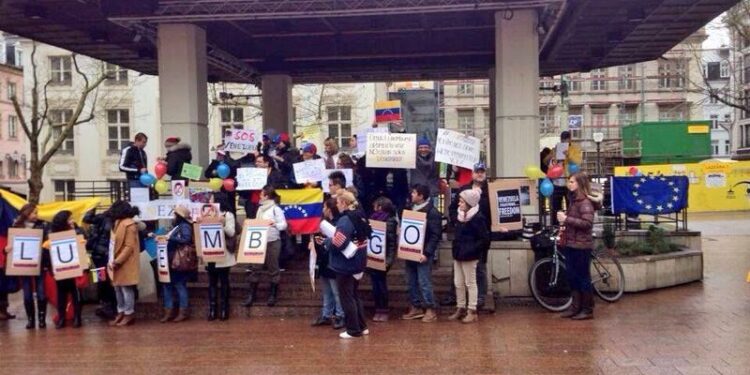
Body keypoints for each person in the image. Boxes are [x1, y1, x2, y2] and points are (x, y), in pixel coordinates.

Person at [445, 162, 494, 308]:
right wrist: (456, 221)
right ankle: (454, 296)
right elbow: (452, 208)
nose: (480, 174)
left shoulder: (490, 191)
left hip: (481, 234)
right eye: (477, 171)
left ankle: (480, 299)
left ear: (485, 173)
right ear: (472, 173)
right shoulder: (464, 189)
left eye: (482, 171)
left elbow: (495, 213)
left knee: (480, 267)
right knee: (457, 268)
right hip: (463, 235)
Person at [325, 191, 369, 339]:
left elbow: (339, 242)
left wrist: (327, 242)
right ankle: (362, 326)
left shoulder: (345, 220)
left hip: (346, 263)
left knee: (346, 297)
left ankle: (353, 329)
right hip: (360, 260)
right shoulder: (360, 215)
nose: (336, 205)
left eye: (338, 202)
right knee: (354, 295)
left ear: (343, 203)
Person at [557, 172, 600, 320]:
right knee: (572, 276)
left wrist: (567, 219)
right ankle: (576, 306)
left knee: (582, 277)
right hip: (571, 243)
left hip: (581, 245)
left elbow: (587, 224)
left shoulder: (584, 202)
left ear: (580, 184)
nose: (569, 184)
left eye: (572, 182)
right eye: (569, 181)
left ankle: (587, 309)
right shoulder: (574, 200)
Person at [401, 184, 442, 323]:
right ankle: (416, 306)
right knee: (410, 281)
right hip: (410, 251)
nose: (411, 195)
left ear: (421, 196)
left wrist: (427, 252)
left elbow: (435, 235)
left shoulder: (432, 212)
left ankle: (430, 309)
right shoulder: (409, 208)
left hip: (423, 253)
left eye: (414, 193)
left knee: (424, 281)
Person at [448, 190, 490, 324]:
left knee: (470, 282)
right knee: (458, 282)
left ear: (469, 203)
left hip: (470, 254)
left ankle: (472, 310)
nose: (459, 204)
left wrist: (473, 250)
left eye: (461, 201)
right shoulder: (461, 217)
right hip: (459, 253)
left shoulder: (478, 218)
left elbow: (483, 238)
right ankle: (460, 306)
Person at [243, 185, 287, 308]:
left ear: (266, 196)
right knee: (255, 268)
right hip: (259, 242)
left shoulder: (275, 209)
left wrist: (274, 224)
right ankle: (252, 295)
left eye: (261, 194)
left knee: (273, 267)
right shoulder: (260, 209)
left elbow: (283, 225)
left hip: (272, 241)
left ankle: (272, 294)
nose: (259, 197)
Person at [5, 204, 47, 328]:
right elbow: (10, 245)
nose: (36, 215)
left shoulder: (42, 226)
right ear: (27, 214)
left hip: (39, 264)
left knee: (41, 293)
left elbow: (47, 242)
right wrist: (6, 250)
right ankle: (31, 320)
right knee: (27, 294)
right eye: (34, 212)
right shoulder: (16, 227)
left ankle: (41, 319)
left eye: (37, 212)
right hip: (23, 266)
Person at [310, 198, 345, 329]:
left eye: (325, 208)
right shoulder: (324, 223)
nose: (323, 210)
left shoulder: (338, 223)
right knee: (327, 290)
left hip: (333, 260)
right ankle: (327, 314)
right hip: (324, 259)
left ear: (329, 209)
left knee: (336, 291)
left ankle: (341, 315)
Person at [45, 210, 84, 328]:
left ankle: (78, 317)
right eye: (70, 219)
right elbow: (47, 252)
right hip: (60, 269)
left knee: (76, 293)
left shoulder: (78, 232)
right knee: (61, 294)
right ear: (63, 222)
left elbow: (82, 250)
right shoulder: (52, 235)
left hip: (75, 269)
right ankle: (61, 317)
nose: (73, 221)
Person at [202, 195, 237, 321]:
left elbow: (232, 232)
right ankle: (212, 309)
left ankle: (224, 309)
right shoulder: (206, 214)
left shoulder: (228, 215)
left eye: (211, 200)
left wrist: (221, 224)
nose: (209, 202)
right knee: (211, 282)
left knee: (224, 281)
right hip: (210, 252)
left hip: (224, 253)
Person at [107, 201, 141, 327]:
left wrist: (117, 261)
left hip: (125, 261)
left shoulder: (129, 225)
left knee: (126, 288)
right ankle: (121, 311)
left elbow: (129, 246)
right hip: (116, 260)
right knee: (118, 288)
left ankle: (129, 313)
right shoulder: (118, 223)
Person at [161, 205, 195, 323]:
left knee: (179, 285)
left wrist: (171, 238)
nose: (173, 216)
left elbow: (186, 239)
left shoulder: (184, 226)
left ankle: (182, 311)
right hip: (171, 260)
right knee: (168, 285)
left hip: (179, 261)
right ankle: (168, 311)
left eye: (175, 214)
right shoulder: (177, 226)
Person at [368, 197, 398, 322]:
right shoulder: (372, 219)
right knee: (375, 284)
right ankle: (377, 308)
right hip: (374, 255)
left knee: (381, 284)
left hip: (383, 257)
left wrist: (389, 260)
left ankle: (383, 309)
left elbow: (391, 244)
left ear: (380, 207)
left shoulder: (390, 221)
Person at [83, 208, 116, 320]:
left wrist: (91, 208)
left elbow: (86, 219)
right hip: (100, 256)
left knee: (102, 282)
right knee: (103, 281)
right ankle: (107, 306)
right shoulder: (109, 220)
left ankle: (107, 306)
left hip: (99, 256)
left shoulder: (103, 219)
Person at [550, 131, 582, 225]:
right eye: (562, 140)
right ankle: (555, 226)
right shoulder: (557, 148)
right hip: (557, 181)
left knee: (571, 205)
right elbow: (548, 162)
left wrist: (568, 155)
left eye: (566, 140)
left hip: (569, 181)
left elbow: (577, 162)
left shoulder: (575, 149)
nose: (564, 142)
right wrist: (554, 154)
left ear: (569, 139)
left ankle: (570, 224)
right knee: (555, 206)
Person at [205, 145, 238, 214]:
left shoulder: (232, 163)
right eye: (217, 153)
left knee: (230, 208)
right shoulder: (214, 163)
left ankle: (232, 222)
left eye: (219, 153)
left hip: (228, 189)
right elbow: (207, 174)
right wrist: (213, 173)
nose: (218, 154)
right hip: (218, 189)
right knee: (219, 207)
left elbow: (235, 175)